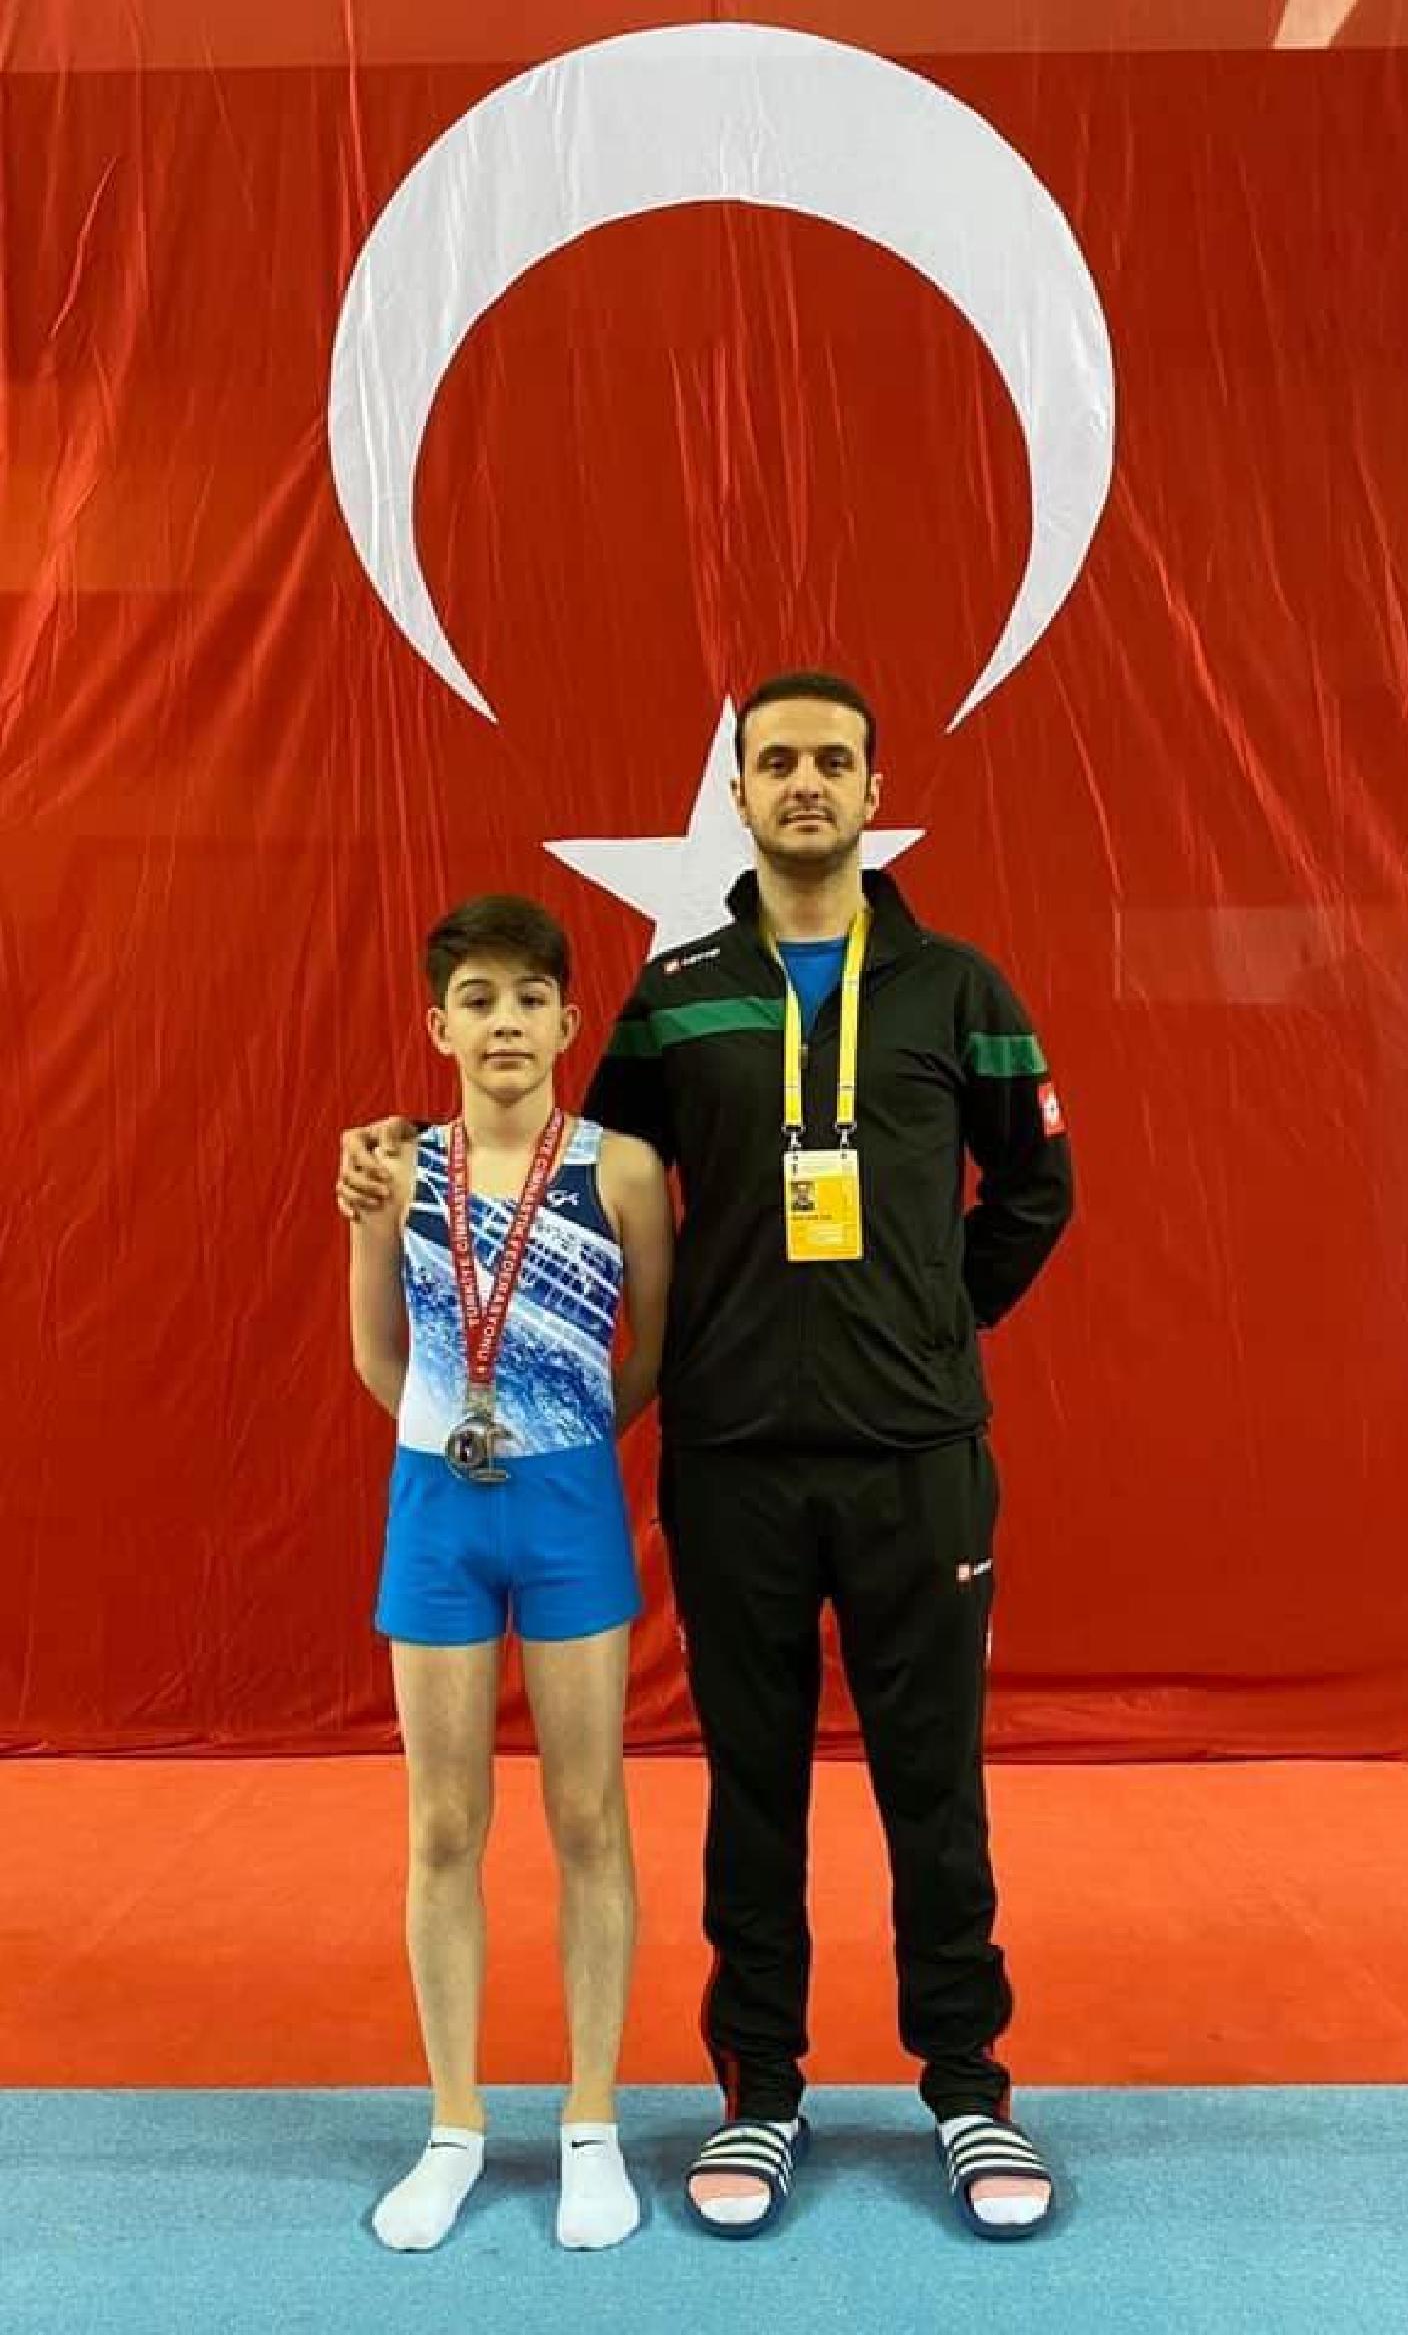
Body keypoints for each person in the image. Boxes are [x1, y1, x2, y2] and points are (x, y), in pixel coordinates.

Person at [338, 674, 1072, 2243]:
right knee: (752, 1789)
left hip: (918, 1457)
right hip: (732, 1460)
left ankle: (967, 2086)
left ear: (874, 790)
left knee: (934, 1786)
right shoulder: (678, 995)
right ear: (739, 792)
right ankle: (761, 2091)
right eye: (776, 761)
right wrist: (393, 1159)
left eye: (832, 761)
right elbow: (553, 1163)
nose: (805, 782)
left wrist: (936, 1321)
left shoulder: (959, 988)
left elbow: (1036, 1187)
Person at [346, 892, 673, 2254]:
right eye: (475, 1000)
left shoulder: (622, 1170)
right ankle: (455, 2124)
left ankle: (592, 2122)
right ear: (439, 1025)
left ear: (568, 1020)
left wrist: (565, 1440)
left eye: (529, 999)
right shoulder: (391, 1170)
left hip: (570, 1506)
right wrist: (456, 1431)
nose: (504, 1023)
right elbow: (375, 1352)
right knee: (442, 1825)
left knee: (588, 1816)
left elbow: (655, 1348)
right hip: (436, 1505)